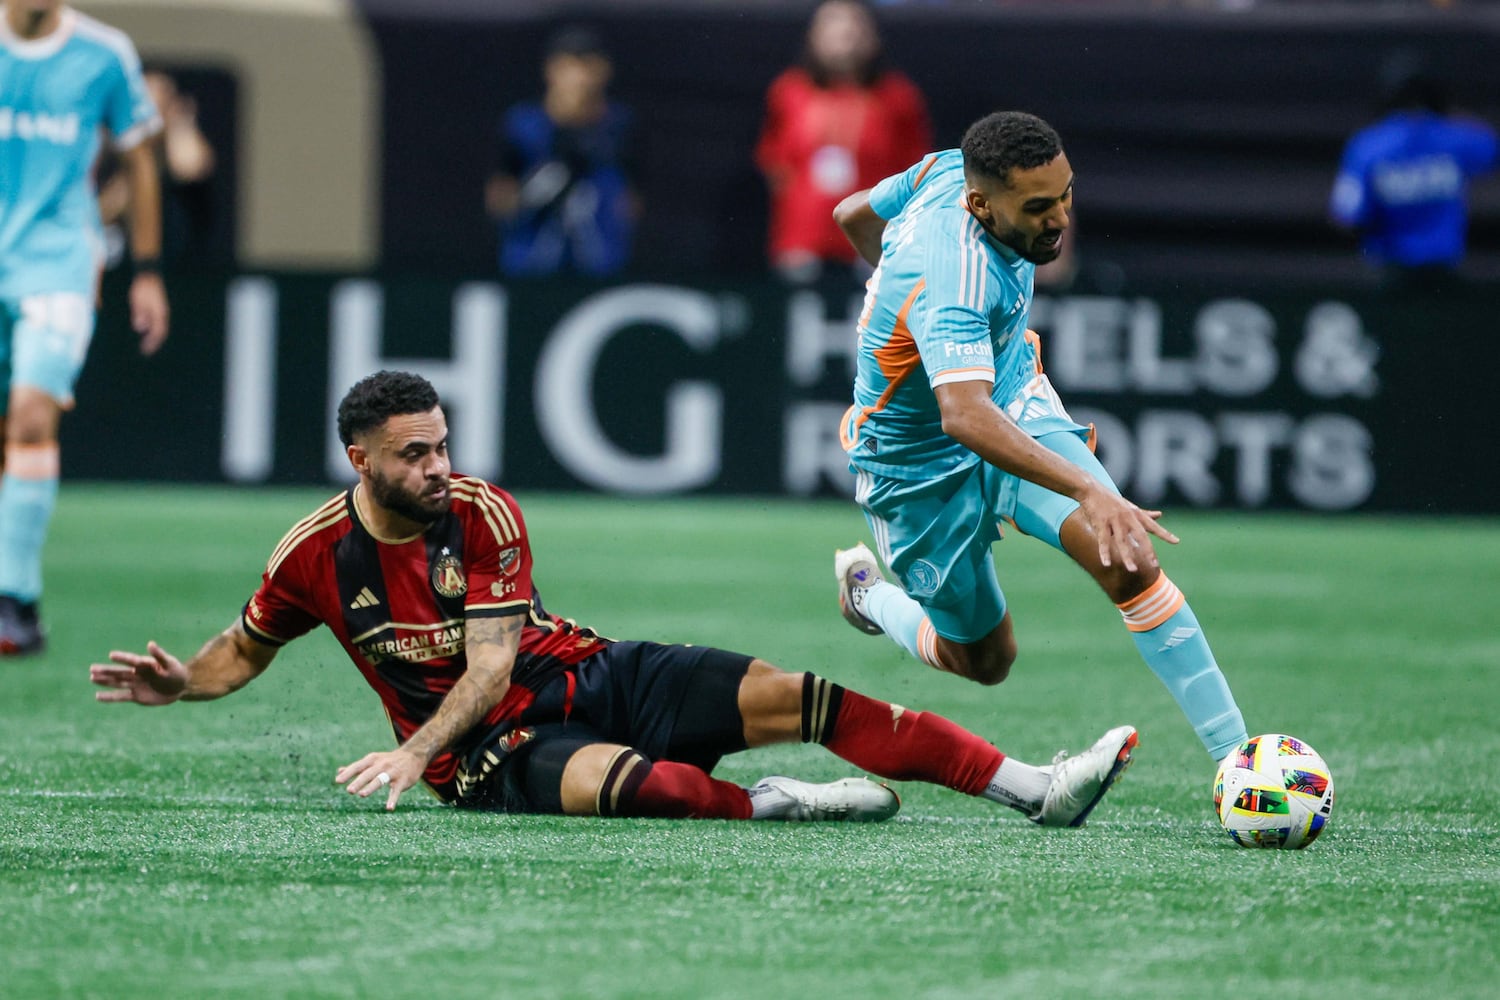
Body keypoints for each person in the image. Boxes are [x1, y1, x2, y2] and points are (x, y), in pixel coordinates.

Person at [90, 370, 1137, 826]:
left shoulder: (485, 513)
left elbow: (497, 661)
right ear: (356, 458)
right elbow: (245, 647)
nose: (440, 466)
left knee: (805, 696)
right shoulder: (313, 553)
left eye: (445, 444)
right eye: (415, 455)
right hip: (486, 756)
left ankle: (1032, 789)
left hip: (585, 671)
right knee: (668, 793)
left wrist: (400, 747)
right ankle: (780, 803)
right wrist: (184, 681)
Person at [830, 111, 1248, 764]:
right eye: (1038, 207)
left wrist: (892, 289)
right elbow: (962, 418)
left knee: (1129, 557)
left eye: (1066, 195)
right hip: (914, 465)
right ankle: (868, 595)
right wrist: (1089, 486)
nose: (1059, 219)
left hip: (1010, 398)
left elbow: (852, 212)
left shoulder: (945, 167)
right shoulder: (955, 278)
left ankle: (1240, 762)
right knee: (984, 660)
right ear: (980, 205)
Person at [0, 0, 170, 655]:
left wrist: (148, 270)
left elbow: (141, 160)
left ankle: (13, 600)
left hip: (59, 263)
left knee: (32, 417)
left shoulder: (104, 54)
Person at [755, 0, 931, 283]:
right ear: (814, 37)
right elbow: (773, 159)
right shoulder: (789, 91)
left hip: (872, 241)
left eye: (854, 30)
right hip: (802, 241)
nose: (845, 38)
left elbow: (913, 168)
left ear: (872, 39)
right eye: (834, 29)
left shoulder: (897, 96)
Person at [483, 25, 637, 278]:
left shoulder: (619, 127)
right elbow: (499, 200)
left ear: (604, 70)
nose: (581, 79)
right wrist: (535, 194)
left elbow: (631, 204)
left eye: (589, 66)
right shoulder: (523, 126)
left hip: (601, 268)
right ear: (552, 70)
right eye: (571, 66)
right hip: (531, 270)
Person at [1329, 66, 1498, 289]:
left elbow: (1346, 216)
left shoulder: (1367, 145)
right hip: (1435, 272)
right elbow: (1491, 146)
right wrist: (1446, 113)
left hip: (1391, 273)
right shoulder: (1455, 137)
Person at [98, 68, 218, 270]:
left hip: (176, 275)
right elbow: (94, 214)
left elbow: (190, 168)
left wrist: (179, 119)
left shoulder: (180, 152)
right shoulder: (111, 159)